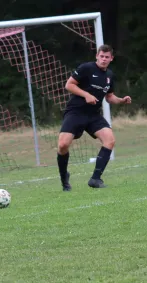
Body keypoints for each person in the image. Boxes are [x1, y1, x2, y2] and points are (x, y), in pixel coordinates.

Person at [56, 44, 132, 190]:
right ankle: (64, 178)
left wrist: (122, 100)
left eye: (107, 57)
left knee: (109, 140)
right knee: (63, 145)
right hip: (75, 112)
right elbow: (69, 85)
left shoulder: (109, 76)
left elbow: (109, 97)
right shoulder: (86, 68)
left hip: (93, 115)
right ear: (97, 56)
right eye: (101, 56)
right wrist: (86, 95)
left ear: (111, 59)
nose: (103, 59)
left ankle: (95, 179)